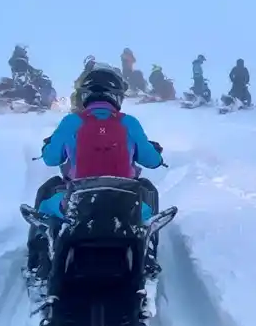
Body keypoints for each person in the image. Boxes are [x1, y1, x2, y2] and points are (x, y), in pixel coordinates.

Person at [36, 66, 164, 223]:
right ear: (117, 96)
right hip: (125, 204)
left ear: (85, 95)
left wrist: (47, 147)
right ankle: (147, 242)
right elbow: (152, 161)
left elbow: (51, 159)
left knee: (46, 205)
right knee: (147, 198)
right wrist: (155, 153)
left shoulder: (71, 122)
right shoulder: (129, 123)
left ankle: (43, 243)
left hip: (77, 205)